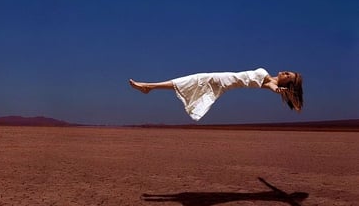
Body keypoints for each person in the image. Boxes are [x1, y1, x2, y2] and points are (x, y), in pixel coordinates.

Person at [129, 67, 303, 121]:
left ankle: (148, 86)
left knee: (191, 80)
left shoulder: (271, 83)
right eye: (288, 72)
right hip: (222, 78)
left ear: (287, 83)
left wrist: (279, 90)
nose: (286, 73)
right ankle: (149, 86)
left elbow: (274, 88)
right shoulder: (270, 77)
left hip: (223, 81)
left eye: (288, 76)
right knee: (189, 81)